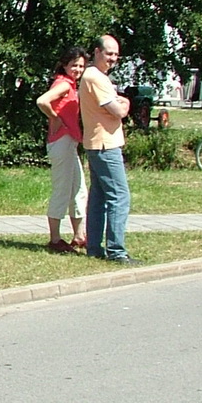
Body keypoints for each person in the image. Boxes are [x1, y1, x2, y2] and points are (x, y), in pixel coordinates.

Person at [79, 34, 135, 263]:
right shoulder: (95, 77)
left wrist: (121, 102)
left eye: (116, 55)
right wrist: (125, 103)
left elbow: (116, 105)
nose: (113, 59)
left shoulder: (95, 77)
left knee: (99, 197)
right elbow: (118, 111)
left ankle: (94, 247)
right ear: (97, 52)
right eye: (109, 53)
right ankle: (116, 251)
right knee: (119, 196)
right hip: (105, 145)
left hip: (98, 142)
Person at [35, 46, 89, 254]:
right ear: (65, 65)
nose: (77, 69)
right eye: (74, 65)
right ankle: (55, 239)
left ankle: (78, 235)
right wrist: (55, 118)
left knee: (78, 189)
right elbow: (42, 100)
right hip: (62, 142)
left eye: (81, 66)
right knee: (63, 190)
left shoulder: (71, 85)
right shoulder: (64, 84)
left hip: (70, 142)